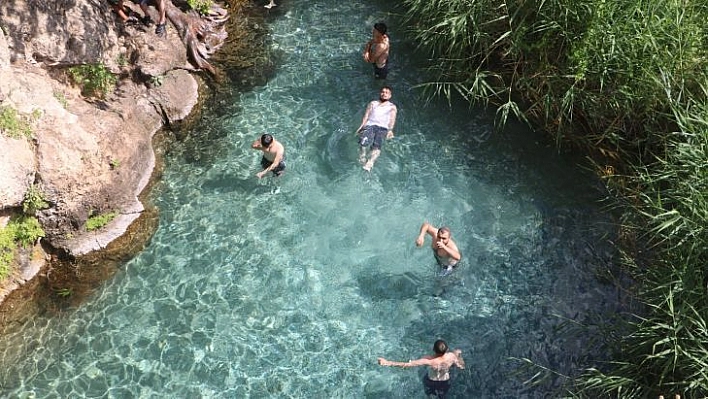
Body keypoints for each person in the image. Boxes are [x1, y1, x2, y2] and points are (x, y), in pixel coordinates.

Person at [378, 339, 465, 399]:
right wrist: (458, 355)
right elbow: (461, 366)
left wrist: (387, 362)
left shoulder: (428, 360)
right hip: (444, 381)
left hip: (430, 381)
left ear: (433, 349)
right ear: (447, 349)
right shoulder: (451, 356)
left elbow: (407, 364)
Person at [355, 86, 397, 171]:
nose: (384, 94)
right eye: (382, 92)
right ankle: (362, 157)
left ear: (390, 95)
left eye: (386, 93)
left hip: (382, 128)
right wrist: (361, 127)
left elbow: (392, 119)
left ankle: (370, 162)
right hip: (370, 125)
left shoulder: (392, 106)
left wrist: (390, 130)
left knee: (376, 146)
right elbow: (366, 116)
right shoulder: (373, 103)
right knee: (363, 141)